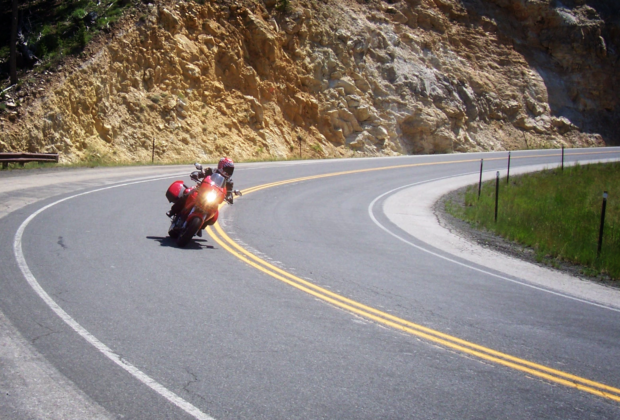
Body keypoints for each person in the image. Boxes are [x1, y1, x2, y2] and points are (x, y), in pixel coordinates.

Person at [167, 157, 238, 218]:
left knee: (215, 214)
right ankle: (173, 211)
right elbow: (202, 173)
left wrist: (229, 197)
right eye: (227, 169)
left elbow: (229, 192)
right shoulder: (211, 171)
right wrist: (196, 175)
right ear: (221, 166)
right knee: (188, 193)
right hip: (201, 190)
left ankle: (201, 224)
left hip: (214, 197)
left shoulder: (229, 182)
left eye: (230, 170)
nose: (229, 172)